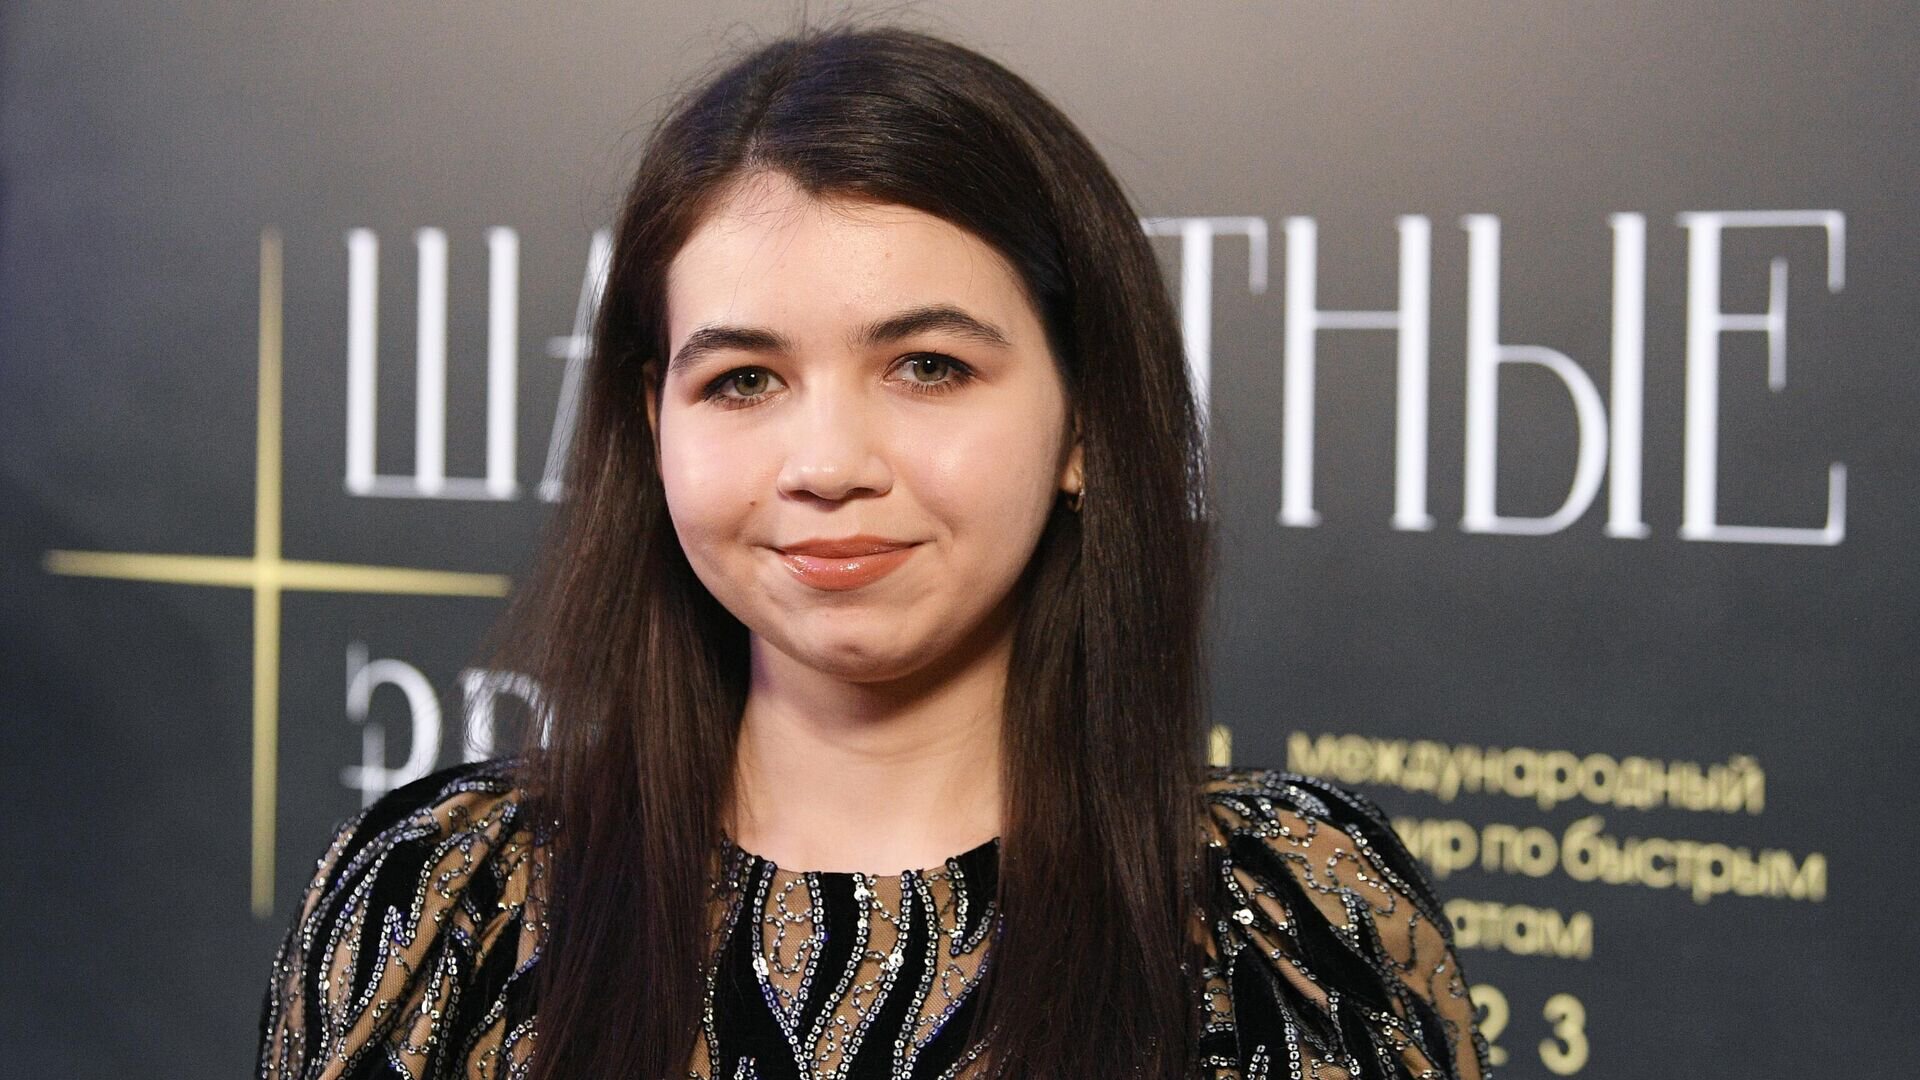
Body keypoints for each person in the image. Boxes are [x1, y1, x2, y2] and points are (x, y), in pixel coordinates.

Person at [258, 25, 1490, 1080]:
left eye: (929, 367)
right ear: (655, 425)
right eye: (744, 380)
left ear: (1084, 422)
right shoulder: (441, 909)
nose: (829, 463)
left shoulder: (1289, 922)